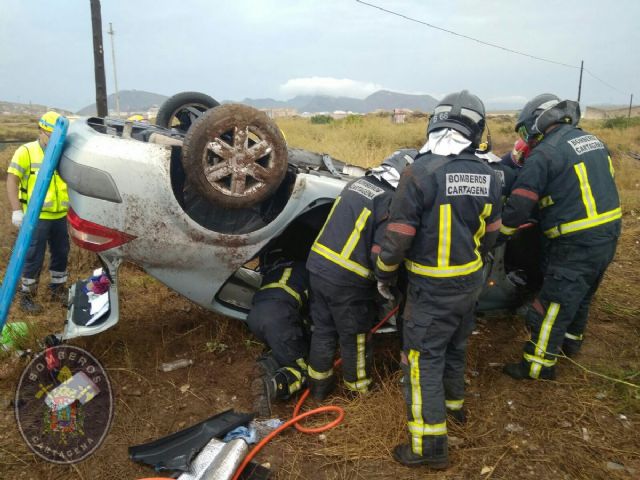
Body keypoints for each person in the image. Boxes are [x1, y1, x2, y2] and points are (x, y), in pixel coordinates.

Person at [375, 91, 502, 469]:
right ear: (476, 130)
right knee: (455, 346)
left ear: (436, 123)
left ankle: (428, 447)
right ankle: (454, 408)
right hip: (470, 283)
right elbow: (492, 234)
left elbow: (397, 237)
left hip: (431, 290)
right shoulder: (489, 174)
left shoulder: (419, 172)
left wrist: (384, 275)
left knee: (421, 360)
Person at [499, 94, 621, 380]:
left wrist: (498, 236)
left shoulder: (544, 153)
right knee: (581, 293)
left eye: (525, 129)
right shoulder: (592, 141)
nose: (526, 136)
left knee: (552, 303)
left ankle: (538, 365)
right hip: (607, 235)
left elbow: (519, 204)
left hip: (576, 242)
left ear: (537, 122)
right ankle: (571, 341)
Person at [306, 148, 418, 401]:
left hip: (317, 267)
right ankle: (359, 393)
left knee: (323, 329)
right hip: (347, 279)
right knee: (354, 337)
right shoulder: (389, 200)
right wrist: (387, 282)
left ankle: (318, 388)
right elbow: (381, 253)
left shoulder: (357, 184)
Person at [6, 111, 70, 313]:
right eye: (51, 136)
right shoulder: (26, 151)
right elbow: (11, 180)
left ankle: (57, 290)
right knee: (34, 256)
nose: (54, 140)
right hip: (37, 217)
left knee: (61, 252)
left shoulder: (61, 151)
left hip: (59, 215)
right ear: (41, 131)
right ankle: (27, 296)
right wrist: (17, 210)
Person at [247, 250, 310, 416]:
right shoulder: (313, 272)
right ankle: (272, 386)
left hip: (255, 317)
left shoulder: (278, 269)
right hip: (278, 318)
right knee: (302, 369)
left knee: (282, 346)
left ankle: (266, 365)